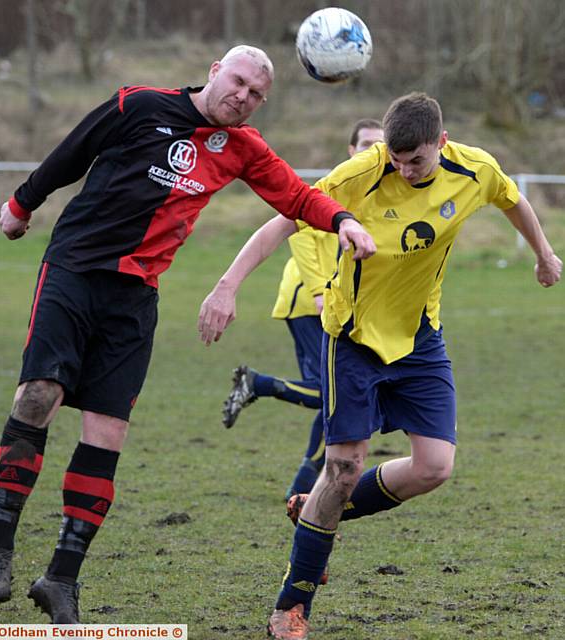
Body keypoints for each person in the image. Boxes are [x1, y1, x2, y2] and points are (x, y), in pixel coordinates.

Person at [0, 45, 376, 624]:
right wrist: (21, 204)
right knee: (38, 397)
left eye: (256, 94)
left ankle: (61, 578)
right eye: (238, 82)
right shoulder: (137, 104)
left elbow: (295, 195)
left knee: (106, 434)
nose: (243, 97)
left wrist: (342, 220)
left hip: (135, 298)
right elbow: (71, 154)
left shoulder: (243, 146)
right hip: (73, 271)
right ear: (216, 71)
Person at [197, 92, 562, 640]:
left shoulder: (474, 168)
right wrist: (227, 285)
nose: (402, 168)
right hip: (353, 339)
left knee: (434, 467)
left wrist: (543, 252)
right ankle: (291, 606)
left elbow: (512, 199)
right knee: (341, 469)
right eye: (395, 158)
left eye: (415, 160)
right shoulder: (359, 175)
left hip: (420, 339)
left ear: (441, 143)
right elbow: (282, 222)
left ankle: (319, 511)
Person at [222, 119, 384, 500]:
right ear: (350, 149)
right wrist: (317, 290)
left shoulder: (375, 191)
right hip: (309, 301)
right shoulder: (337, 185)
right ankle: (257, 384)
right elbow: (303, 235)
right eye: (364, 143)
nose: (370, 151)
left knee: (331, 399)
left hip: (339, 305)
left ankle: (301, 485)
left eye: (378, 145)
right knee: (331, 396)